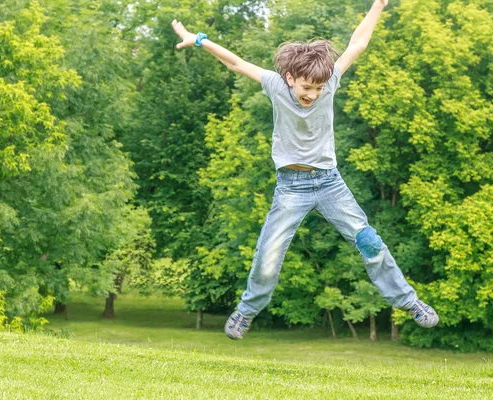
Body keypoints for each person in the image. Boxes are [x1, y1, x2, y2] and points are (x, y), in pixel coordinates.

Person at [172, 0, 439, 340]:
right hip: (291, 187)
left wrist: (378, 4)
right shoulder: (274, 85)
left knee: (369, 241)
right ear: (289, 78)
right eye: (306, 88)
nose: (313, 94)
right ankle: (246, 311)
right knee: (268, 254)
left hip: (330, 183)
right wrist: (199, 40)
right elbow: (236, 63)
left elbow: (358, 43)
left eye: (318, 88)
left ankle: (409, 301)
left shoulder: (329, 83)